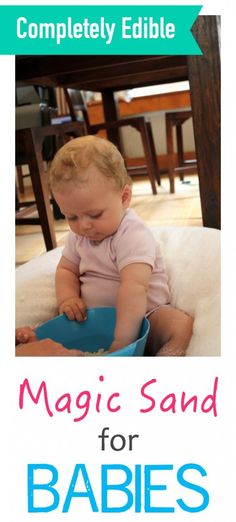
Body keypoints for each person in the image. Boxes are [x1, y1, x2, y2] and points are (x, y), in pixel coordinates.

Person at [43, 134, 192, 357]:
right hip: (93, 320)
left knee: (180, 325)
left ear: (124, 198)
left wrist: (123, 342)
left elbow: (134, 287)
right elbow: (66, 270)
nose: (83, 225)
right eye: (70, 217)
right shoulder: (78, 237)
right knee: (53, 331)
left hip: (145, 317)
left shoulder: (132, 234)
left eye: (94, 214)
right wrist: (68, 299)